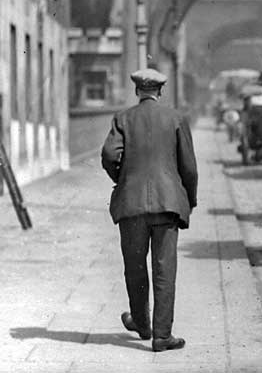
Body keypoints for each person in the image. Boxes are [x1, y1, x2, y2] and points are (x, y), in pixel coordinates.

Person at [101, 68, 197, 353]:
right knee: (164, 269)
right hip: (168, 205)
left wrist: (123, 179)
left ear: (137, 91)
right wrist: (187, 200)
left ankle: (142, 324)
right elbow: (189, 167)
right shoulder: (177, 118)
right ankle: (162, 336)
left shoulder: (123, 118)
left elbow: (108, 156)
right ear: (160, 91)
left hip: (131, 205)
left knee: (135, 267)